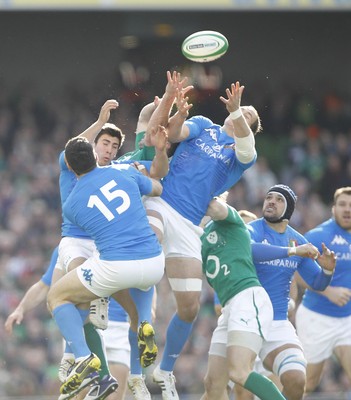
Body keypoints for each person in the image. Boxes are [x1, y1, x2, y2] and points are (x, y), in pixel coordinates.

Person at [142, 70, 262, 400]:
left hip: (189, 225)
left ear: (248, 128)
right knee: (148, 250)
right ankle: (137, 313)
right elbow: (175, 132)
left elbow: (248, 148)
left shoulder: (241, 157)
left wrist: (238, 111)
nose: (242, 112)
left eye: (249, 115)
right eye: (241, 109)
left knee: (190, 308)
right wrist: (180, 111)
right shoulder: (206, 126)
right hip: (160, 200)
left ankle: (164, 370)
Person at [46, 136, 165, 398]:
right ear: (94, 153)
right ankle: (141, 320)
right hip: (155, 262)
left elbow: (91, 236)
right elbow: (157, 188)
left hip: (117, 265)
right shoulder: (124, 171)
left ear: (69, 164)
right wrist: (146, 176)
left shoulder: (72, 205)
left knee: (57, 295)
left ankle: (83, 358)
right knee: (122, 285)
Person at [247, 184, 337, 400]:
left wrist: (327, 270)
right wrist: (293, 251)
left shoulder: (298, 240)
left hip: (278, 324)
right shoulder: (253, 229)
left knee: (297, 379)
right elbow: (249, 249)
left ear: (288, 209)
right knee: (221, 388)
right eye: (268, 197)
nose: (271, 201)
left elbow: (317, 282)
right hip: (246, 319)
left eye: (278, 199)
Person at [201, 197, 289, 400]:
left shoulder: (232, 220)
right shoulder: (200, 235)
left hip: (247, 299)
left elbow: (213, 205)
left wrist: (201, 190)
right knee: (213, 384)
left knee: (239, 373)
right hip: (229, 307)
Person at [295, 186, 351, 394]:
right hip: (317, 318)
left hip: (347, 320)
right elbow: (298, 273)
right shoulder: (318, 236)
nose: (347, 209)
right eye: (342, 205)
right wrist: (329, 292)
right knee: (307, 383)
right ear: (333, 209)